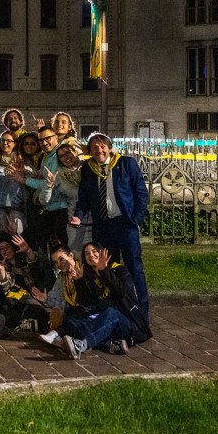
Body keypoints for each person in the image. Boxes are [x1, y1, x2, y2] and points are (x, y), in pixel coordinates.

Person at [73, 132, 150, 320]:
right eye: (94, 147)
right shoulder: (88, 169)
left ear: (109, 148)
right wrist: (78, 216)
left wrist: (136, 219)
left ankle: (141, 312)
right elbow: (84, 198)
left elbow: (141, 192)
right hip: (104, 227)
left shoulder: (125, 163)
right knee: (106, 269)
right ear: (89, 151)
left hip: (125, 224)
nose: (99, 150)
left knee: (134, 268)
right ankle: (116, 310)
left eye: (102, 146)